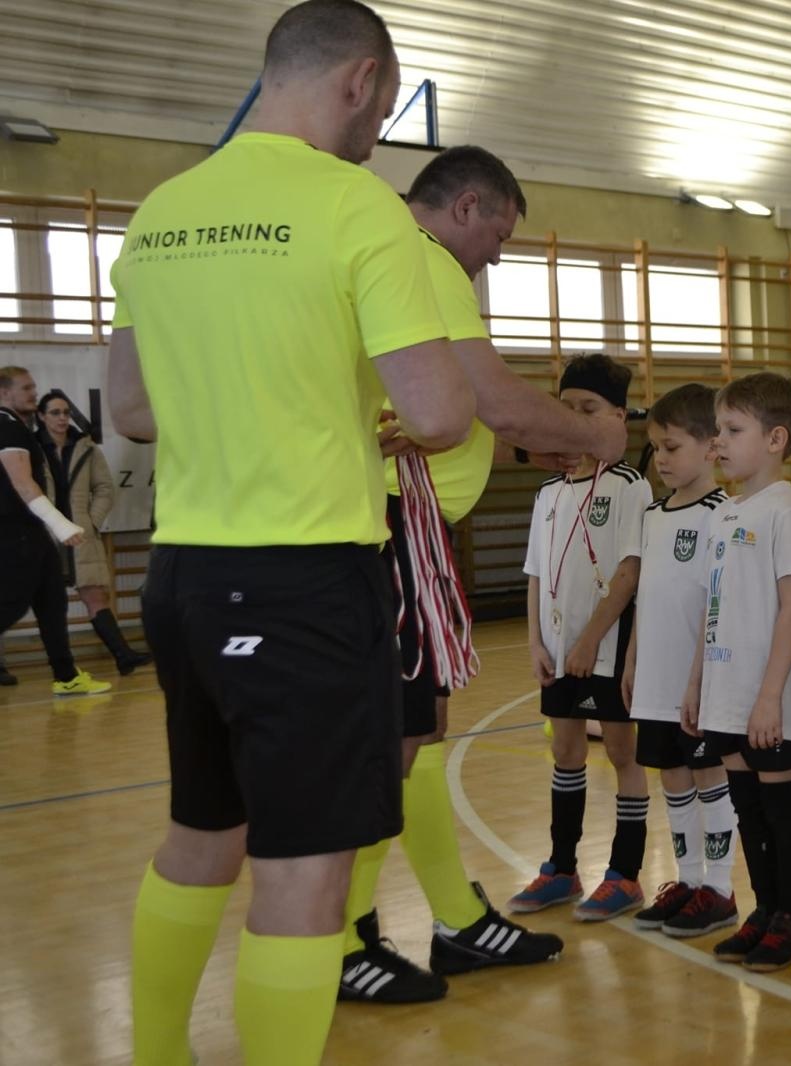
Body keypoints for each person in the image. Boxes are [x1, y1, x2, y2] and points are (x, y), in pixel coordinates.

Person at [107, 2, 477, 1062]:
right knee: (306, 868)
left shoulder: (162, 210)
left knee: (202, 833)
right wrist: (352, 409)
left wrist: (248, 397)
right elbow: (444, 413)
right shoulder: (357, 208)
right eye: (385, 105)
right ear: (359, 80)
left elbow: (131, 406)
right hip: (305, 583)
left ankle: (158, 1053)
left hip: (183, 578)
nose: (380, 133)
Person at [337, 145, 624, 1003]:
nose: (497, 253)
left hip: (402, 526)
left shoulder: (385, 252)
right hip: (388, 526)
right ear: (465, 206)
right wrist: (593, 438)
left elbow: (456, 411)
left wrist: (510, 433)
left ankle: (454, 919)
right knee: (390, 742)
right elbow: (490, 396)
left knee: (416, 734)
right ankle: (341, 938)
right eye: (497, 233)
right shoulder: (420, 258)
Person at [682, 372, 791, 972]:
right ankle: (764, 911)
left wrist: (770, 697)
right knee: (746, 806)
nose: (720, 443)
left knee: (780, 805)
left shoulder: (785, 512)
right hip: (725, 690)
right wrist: (697, 684)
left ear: (775, 439)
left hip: (769, 696)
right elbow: (712, 607)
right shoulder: (722, 514)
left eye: (733, 430)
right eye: (718, 431)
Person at [510, 354, 653, 922]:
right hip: (558, 651)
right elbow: (536, 574)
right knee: (564, 749)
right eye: (565, 409)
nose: (573, 419)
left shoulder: (628, 487)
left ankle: (625, 874)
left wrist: (593, 639)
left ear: (617, 416)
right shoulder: (548, 493)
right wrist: (534, 642)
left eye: (588, 409)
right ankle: (561, 868)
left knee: (622, 752)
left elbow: (629, 571)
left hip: (606, 649)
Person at [619, 383, 738, 938]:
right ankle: (687, 881)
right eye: (655, 449)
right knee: (672, 775)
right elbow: (649, 594)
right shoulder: (654, 514)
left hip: (701, 681)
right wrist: (633, 660)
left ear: (712, 447)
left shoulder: (723, 514)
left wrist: (702, 675)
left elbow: (719, 604)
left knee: (709, 774)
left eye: (671, 447)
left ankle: (720, 889)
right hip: (656, 677)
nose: (660, 459)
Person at [0, 366, 111, 696]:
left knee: (52, 602)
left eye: (33, 387)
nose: (33, 393)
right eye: (25, 388)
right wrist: (60, 524)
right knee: (11, 604)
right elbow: (22, 482)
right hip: (16, 533)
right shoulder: (8, 427)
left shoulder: (16, 427)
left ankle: (66, 677)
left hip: (30, 532)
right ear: (4, 393)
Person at [35, 388, 152, 675]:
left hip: (80, 532)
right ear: (41, 416)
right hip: (42, 532)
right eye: (55, 413)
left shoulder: (86, 448)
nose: (62, 418)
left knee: (95, 595)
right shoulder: (30, 447)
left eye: (65, 412)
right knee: (38, 598)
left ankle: (123, 656)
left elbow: (104, 488)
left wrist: (92, 521)